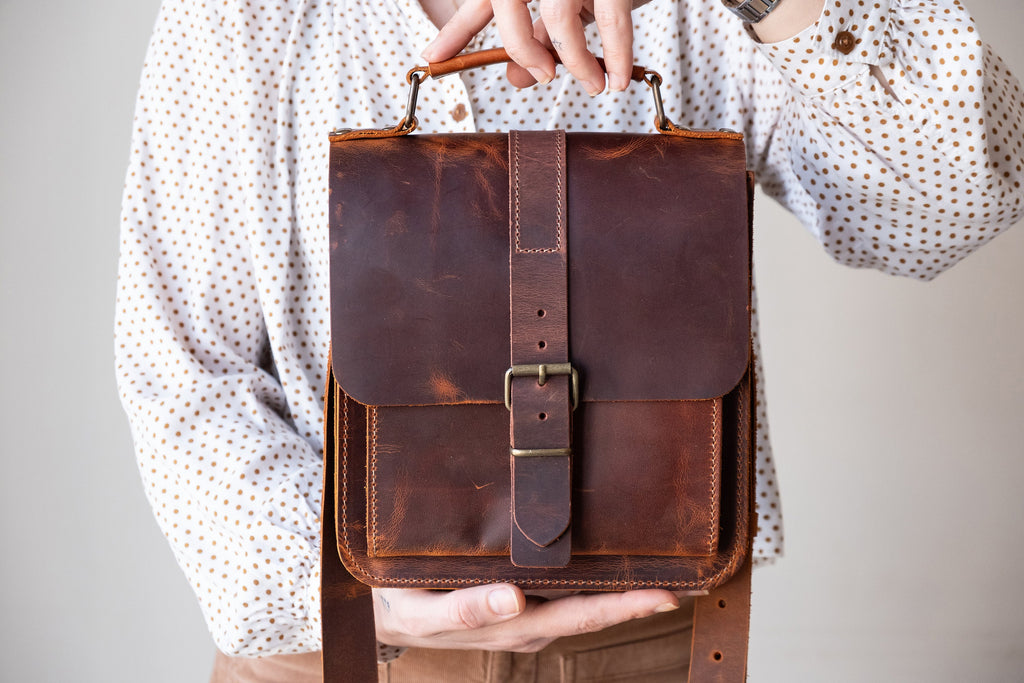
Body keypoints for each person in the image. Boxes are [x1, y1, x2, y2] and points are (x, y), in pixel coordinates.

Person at [116, 0, 1023, 680]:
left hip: (654, 637)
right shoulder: (243, 15)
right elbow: (181, 373)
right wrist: (352, 585)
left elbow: (960, 200)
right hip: (343, 645)